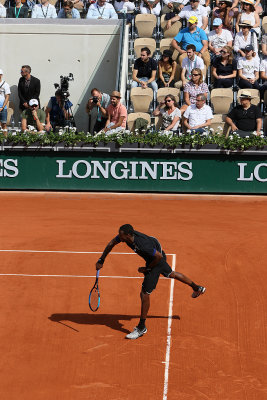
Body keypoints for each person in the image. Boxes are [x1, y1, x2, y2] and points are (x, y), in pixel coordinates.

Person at [96, 224, 206, 340]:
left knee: (144, 293)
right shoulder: (127, 237)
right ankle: (197, 288)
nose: (119, 238)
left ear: (128, 235)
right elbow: (112, 243)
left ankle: (141, 327)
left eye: (121, 236)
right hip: (154, 252)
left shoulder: (142, 245)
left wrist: (147, 269)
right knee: (171, 274)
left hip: (155, 259)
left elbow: (158, 257)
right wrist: (101, 259)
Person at [0, 69, 11, 134]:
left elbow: (7, 97)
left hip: (3, 108)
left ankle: (5, 139)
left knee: (4, 124)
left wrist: (3, 106)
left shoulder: (5, 85)